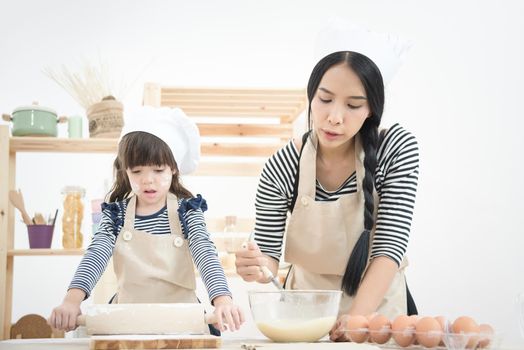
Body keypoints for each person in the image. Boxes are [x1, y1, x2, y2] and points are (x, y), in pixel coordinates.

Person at [235, 50, 419, 341]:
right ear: (310, 97)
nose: (334, 118)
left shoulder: (394, 148)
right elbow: (268, 254)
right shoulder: (282, 165)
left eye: (353, 105)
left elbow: (390, 246)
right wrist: (257, 267)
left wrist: (356, 320)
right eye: (324, 99)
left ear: (371, 108)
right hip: (305, 316)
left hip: (376, 313)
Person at [49, 106, 244, 334]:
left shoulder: (187, 211)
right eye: (137, 171)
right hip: (128, 319)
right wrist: (72, 301)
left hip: (180, 320)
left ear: (173, 169)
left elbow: (205, 252)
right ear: (126, 172)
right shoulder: (117, 214)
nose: (148, 181)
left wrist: (222, 300)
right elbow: (97, 253)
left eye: (158, 170)